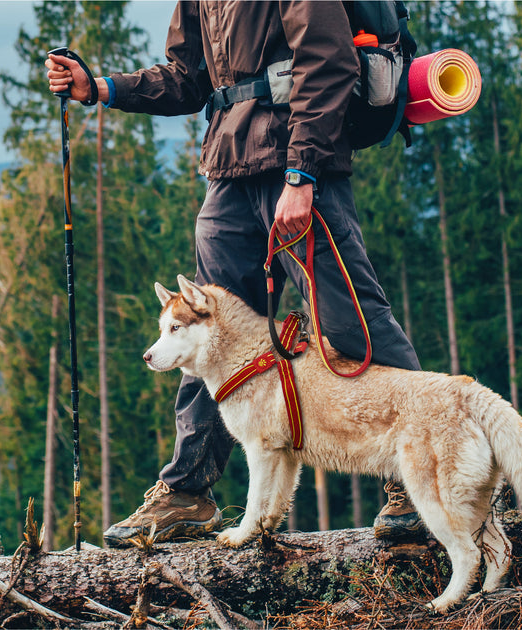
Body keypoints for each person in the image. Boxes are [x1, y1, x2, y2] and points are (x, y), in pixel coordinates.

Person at [47, 1, 423, 548]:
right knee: (208, 339)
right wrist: (100, 87)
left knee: (351, 323)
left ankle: (415, 474)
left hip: (297, 168)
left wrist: (302, 173)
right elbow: (185, 79)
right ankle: (188, 494)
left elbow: (329, 62)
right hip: (228, 173)